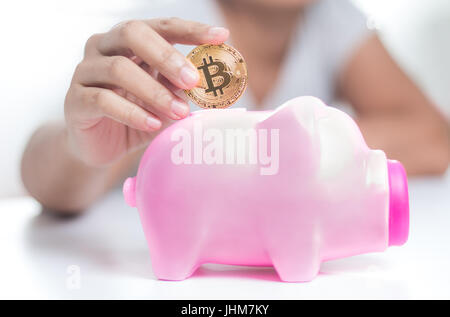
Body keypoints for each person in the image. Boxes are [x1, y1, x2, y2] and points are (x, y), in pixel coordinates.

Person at [21, 0, 449, 213]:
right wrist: (79, 152)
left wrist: (270, 147)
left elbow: (434, 138)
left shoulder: (331, 16)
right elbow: (49, 179)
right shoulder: (166, 26)